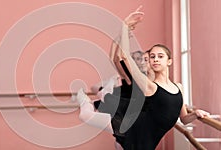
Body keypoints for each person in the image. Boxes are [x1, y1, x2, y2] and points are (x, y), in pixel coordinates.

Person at [77, 6, 210, 150]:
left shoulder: (179, 87)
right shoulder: (150, 86)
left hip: (147, 140)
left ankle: (94, 96)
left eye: (160, 56)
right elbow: (124, 57)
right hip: (134, 133)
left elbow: (184, 119)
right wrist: (125, 26)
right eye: (152, 57)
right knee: (87, 114)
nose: (155, 60)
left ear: (169, 61)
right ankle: (85, 99)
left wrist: (196, 114)